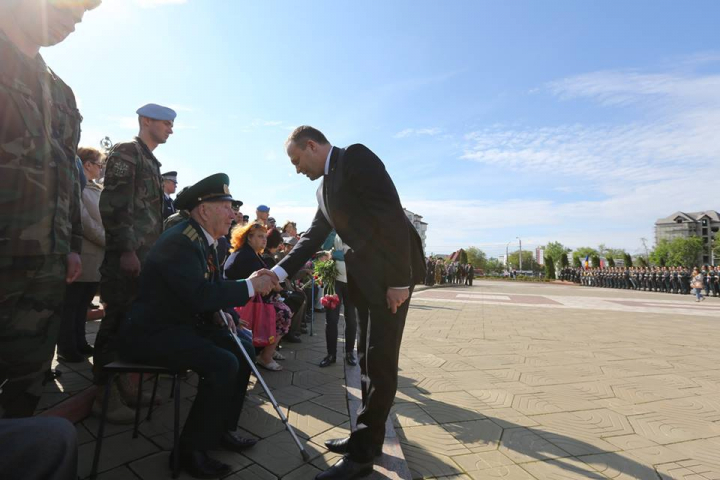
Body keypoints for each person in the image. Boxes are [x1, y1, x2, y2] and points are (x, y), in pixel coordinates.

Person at [270, 126, 426, 480]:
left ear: (311, 146)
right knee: (368, 359)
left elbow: (390, 215)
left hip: (392, 278)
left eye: (296, 160)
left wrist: (400, 281)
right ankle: (364, 437)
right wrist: (277, 274)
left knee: (381, 363)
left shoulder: (355, 157)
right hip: (369, 280)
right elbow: (311, 238)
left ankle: (362, 457)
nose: (296, 169)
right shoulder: (323, 188)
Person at [118, 173, 277, 478]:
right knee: (222, 363)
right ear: (204, 210)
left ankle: (220, 429)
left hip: (180, 324)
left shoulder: (204, 240)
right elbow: (197, 294)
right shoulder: (181, 240)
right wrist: (250, 286)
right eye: (227, 206)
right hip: (153, 333)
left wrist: (225, 312)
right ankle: (189, 452)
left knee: (242, 346)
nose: (234, 214)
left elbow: (210, 288)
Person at [0, 0, 101, 418]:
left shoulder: (60, 91)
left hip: (46, 263)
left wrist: (72, 243)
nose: (72, 22)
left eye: (80, 17)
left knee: (26, 381)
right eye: (66, 6)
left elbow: (67, 177)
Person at [95, 103, 176, 421]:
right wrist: (127, 249)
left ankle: (123, 389)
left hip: (142, 260)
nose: (171, 128)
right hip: (125, 259)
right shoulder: (127, 151)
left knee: (129, 325)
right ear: (146, 121)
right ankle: (104, 397)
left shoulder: (150, 161)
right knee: (114, 325)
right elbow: (114, 203)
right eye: (166, 122)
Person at [56, 147, 106, 363]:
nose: (100, 168)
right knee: (72, 304)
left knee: (83, 302)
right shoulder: (80, 187)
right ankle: (67, 347)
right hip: (84, 252)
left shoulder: (95, 188)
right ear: (87, 164)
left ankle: (80, 341)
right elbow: (83, 220)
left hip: (95, 256)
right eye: (98, 164)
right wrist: (106, 239)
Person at [224, 223, 291, 371]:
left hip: (249, 298)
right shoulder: (246, 255)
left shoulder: (252, 253)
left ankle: (268, 348)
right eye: (260, 236)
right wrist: (279, 289)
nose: (264, 240)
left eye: (265, 236)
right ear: (249, 238)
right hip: (241, 303)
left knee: (287, 303)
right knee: (284, 313)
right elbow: (263, 285)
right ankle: (265, 356)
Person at [320, 234, 358, 368]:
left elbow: (358, 254)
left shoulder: (358, 229)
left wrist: (336, 254)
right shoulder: (334, 230)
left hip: (353, 281)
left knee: (352, 319)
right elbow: (324, 248)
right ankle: (331, 354)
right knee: (331, 319)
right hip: (334, 280)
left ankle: (349, 353)